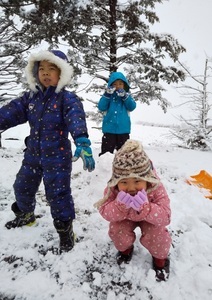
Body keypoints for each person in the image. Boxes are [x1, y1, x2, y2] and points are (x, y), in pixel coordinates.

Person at [0, 49, 95, 253]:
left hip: (58, 157)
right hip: (33, 154)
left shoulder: (67, 99)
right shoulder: (30, 99)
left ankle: (65, 230)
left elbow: (75, 119)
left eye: (51, 69)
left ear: (62, 74)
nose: (45, 73)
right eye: (41, 68)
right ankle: (25, 214)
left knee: (58, 195)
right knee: (22, 186)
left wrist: (82, 141)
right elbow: (10, 112)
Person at [94, 139, 172, 281]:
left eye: (137, 181)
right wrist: (119, 206)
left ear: (147, 179)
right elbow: (104, 210)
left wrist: (147, 209)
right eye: (124, 182)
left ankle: (160, 259)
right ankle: (125, 250)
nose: (131, 188)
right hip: (125, 217)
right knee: (118, 232)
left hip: (149, 217)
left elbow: (166, 216)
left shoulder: (155, 188)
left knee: (157, 235)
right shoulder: (113, 189)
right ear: (117, 181)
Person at [98, 71, 136, 156]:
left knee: (124, 155)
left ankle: (124, 169)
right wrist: (107, 94)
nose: (118, 86)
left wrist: (125, 97)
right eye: (115, 84)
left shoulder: (127, 96)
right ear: (111, 85)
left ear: (124, 85)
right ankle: (104, 168)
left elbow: (132, 106)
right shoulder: (108, 97)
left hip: (123, 131)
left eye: (120, 84)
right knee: (106, 154)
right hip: (109, 130)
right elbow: (101, 107)